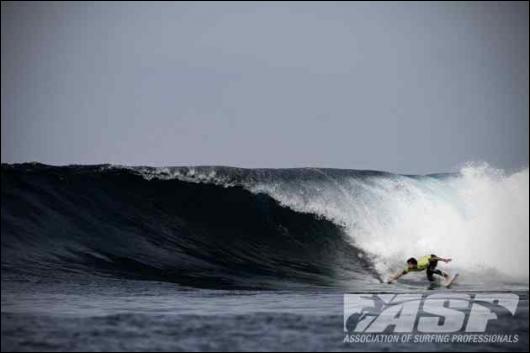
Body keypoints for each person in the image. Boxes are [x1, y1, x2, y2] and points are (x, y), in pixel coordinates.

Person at [387, 254, 452, 283]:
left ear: (413, 263)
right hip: (428, 263)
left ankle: (447, 276)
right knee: (430, 278)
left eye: (409, 264)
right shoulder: (409, 269)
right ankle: (441, 281)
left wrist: (444, 259)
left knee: (431, 269)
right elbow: (401, 274)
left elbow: (433, 259)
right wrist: (393, 279)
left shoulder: (422, 263)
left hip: (432, 258)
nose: (408, 266)